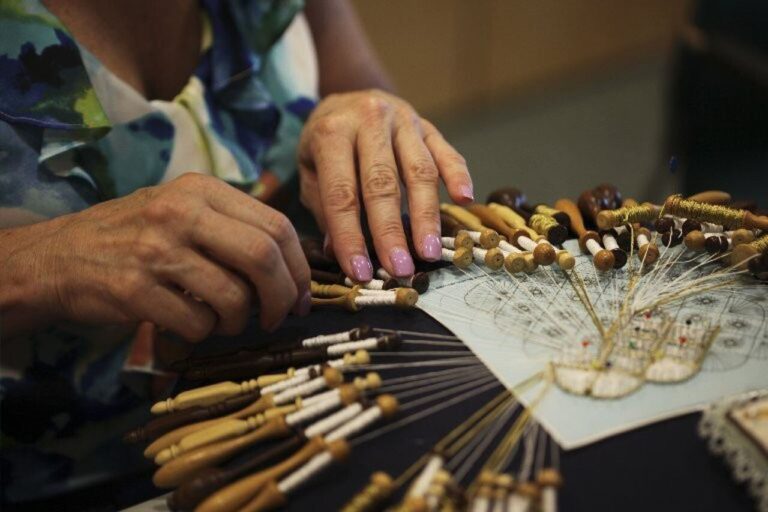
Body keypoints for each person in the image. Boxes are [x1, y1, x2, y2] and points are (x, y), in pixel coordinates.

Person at [0, 0, 473, 506]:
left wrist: (359, 125)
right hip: (62, 478)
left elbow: (351, 85)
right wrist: (46, 261)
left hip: (311, 407)